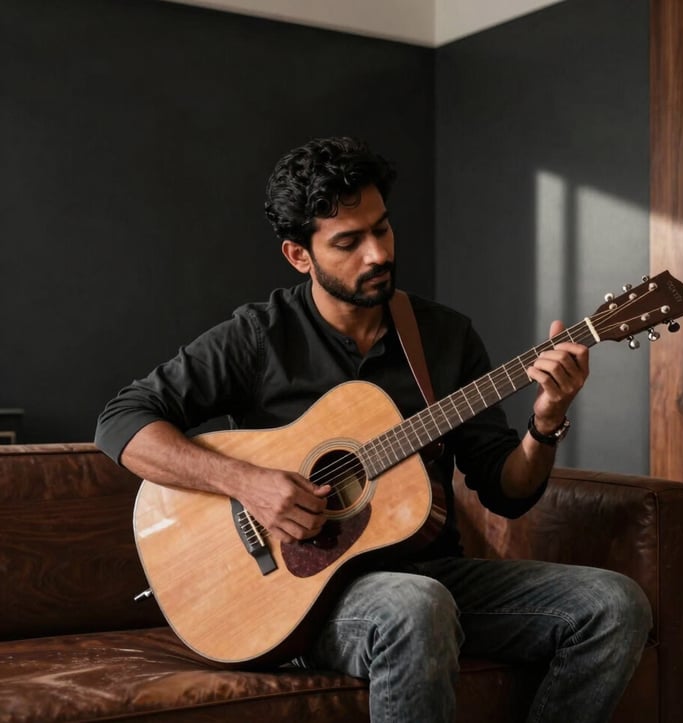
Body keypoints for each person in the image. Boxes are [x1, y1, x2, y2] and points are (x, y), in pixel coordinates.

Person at [95, 136, 652, 723]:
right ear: (298, 255)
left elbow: (504, 492)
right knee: (417, 605)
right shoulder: (260, 336)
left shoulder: (444, 337)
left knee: (614, 605)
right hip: (307, 597)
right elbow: (122, 422)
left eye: (382, 230)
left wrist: (546, 422)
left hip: (432, 572)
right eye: (348, 242)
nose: (377, 254)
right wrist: (248, 482)